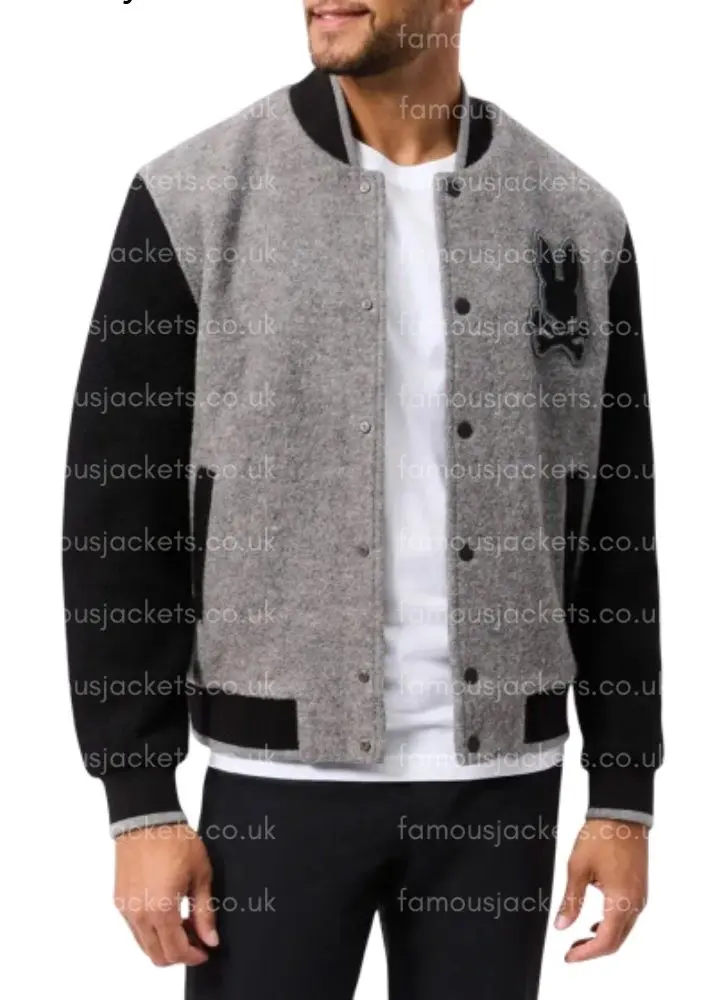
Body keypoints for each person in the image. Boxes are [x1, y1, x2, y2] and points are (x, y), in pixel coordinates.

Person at [63, 2, 663, 997]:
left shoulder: (576, 216)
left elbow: (615, 525)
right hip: (276, 784)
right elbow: (116, 513)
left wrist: (624, 790)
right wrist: (139, 796)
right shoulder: (195, 196)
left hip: (502, 793)